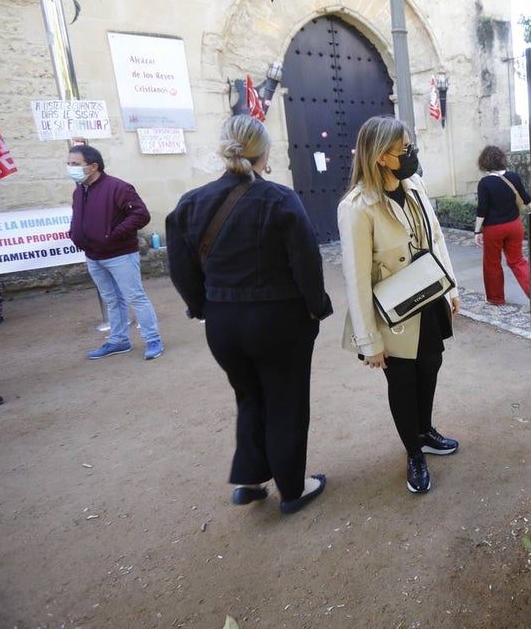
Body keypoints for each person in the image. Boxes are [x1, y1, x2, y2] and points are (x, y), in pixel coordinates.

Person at [166, 115, 333, 514]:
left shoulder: (191, 202)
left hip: (223, 322)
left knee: (249, 397)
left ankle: (250, 478)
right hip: (278, 320)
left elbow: (180, 267)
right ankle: (293, 487)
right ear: (265, 152)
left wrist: (202, 307)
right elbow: (306, 262)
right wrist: (316, 307)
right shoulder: (279, 198)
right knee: (286, 399)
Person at [338, 116, 461, 495]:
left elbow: (436, 235)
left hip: (428, 296)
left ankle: (424, 432)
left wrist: (451, 287)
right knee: (403, 380)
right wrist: (369, 342)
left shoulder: (415, 184)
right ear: (380, 157)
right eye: (402, 149)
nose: (410, 154)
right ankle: (414, 453)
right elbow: (356, 277)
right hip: (392, 312)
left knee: (431, 366)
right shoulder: (357, 207)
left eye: (409, 146)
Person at [67, 144, 164, 360]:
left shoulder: (118, 188)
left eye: (75, 164)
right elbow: (78, 218)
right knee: (112, 300)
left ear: (92, 166)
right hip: (93, 256)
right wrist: (75, 234)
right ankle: (119, 341)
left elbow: (141, 214)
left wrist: (114, 235)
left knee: (135, 297)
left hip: (120, 255)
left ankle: (153, 339)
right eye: (69, 163)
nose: (70, 167)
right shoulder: (79, 190)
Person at [473, 145, 531, 305]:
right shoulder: (513, 176)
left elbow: (482, 209)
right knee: (518, 261)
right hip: (514, 226)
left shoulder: (485, 183)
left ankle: (496, 298)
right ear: (501, 159)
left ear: (484, 162)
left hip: (494, 229)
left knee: (492, 263)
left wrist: (477, 231)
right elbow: (527, 199)